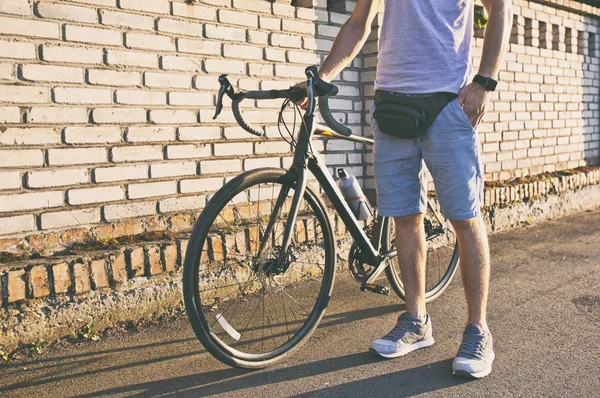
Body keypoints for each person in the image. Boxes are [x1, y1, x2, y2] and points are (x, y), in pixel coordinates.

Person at [303, 0, 511, 378]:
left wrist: (484, 81)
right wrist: (321, 75)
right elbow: (357, 23)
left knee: (464, 218)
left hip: (449, 103)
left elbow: (499, 8)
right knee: (404, 217)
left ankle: (478, 330)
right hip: (391, 104)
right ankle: (416, 322)